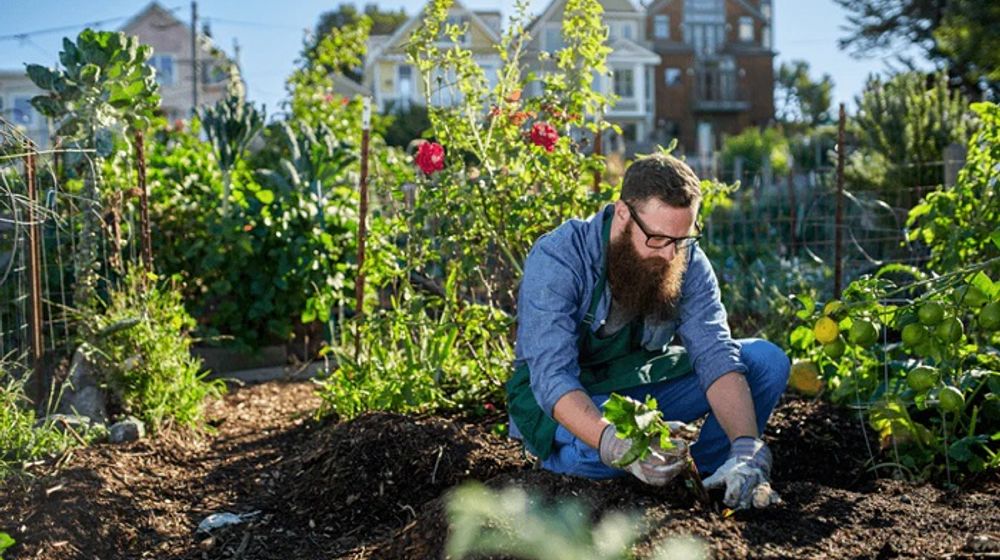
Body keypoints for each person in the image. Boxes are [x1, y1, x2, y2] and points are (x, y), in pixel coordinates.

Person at [506, 153, 790, 510]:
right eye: (657, 238)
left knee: (765, 362)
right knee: (598, 456)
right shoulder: (560, 258)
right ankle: (571, 464)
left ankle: (712, 476)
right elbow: (552, 377)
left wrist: (747, 447)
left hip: (637, 385)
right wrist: (614, 442)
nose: (671, 254)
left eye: (682, 239)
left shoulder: (684, 258)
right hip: (567, 397)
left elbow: (715, 352)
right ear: (623, 213)